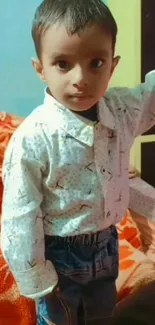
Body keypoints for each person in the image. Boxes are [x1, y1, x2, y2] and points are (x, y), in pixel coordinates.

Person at [1, 0, 155, 324]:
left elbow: (150, 95)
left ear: (112, 67)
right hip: (59, 256)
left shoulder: (120, 109)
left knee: (103, 314)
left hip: (107, 245)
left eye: (95, 62)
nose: (80, 78)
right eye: (62, 63)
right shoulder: (33, 138)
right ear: (40, 68)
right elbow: (19, 213)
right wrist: (36, 277)